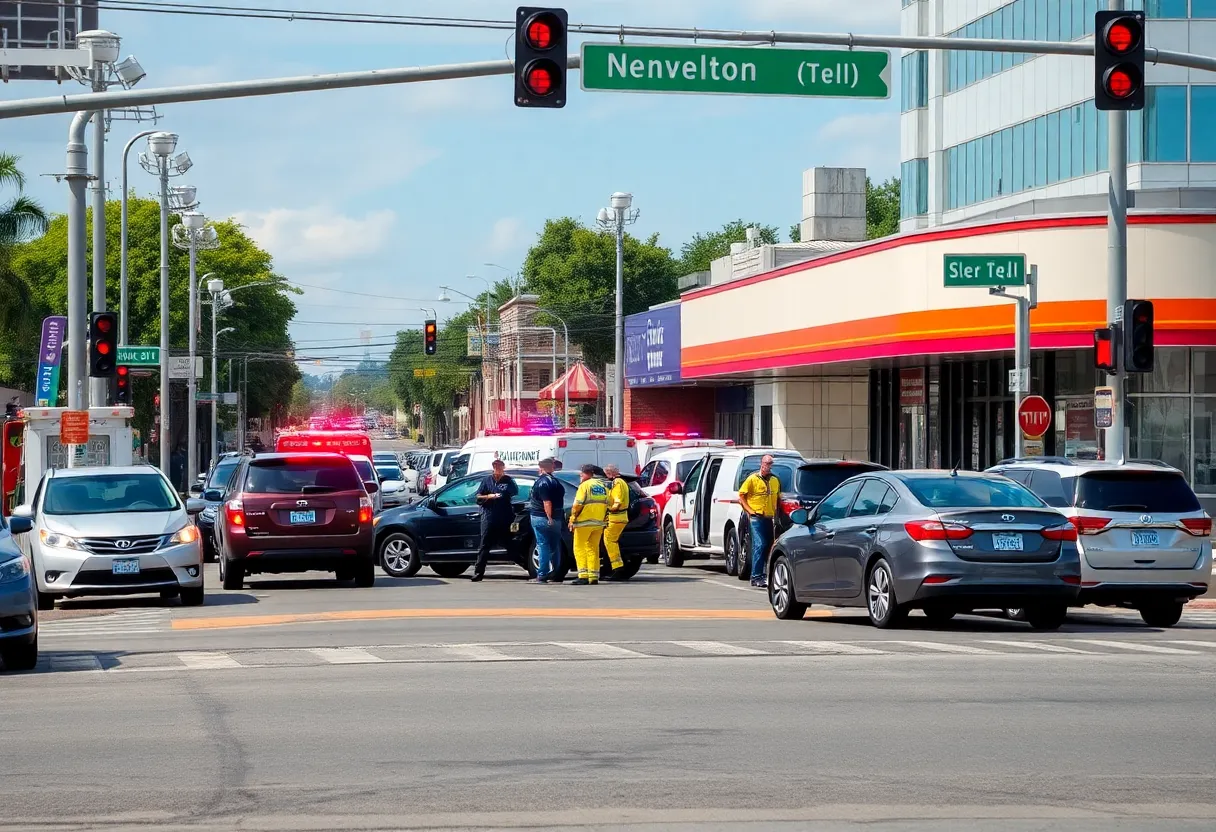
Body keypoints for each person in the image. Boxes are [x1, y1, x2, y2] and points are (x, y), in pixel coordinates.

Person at [472, 459, 518, 582]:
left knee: (510, 543)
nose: (497, 469)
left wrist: (505, 482)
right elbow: (477, 497)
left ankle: (529, 569)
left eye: (500, 467)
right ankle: (478, 573)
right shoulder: (487, 480)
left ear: (503, 467)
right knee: (484, 545)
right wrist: (488, 496)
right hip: (489, 517)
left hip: (505, 517)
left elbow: (515, 492)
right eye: (495, 467)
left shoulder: (508, 480)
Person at [738, 454, 780, 588]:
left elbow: (778, 498)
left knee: (769, 546)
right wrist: (750, 510)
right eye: (766, 463)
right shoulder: (752, 479)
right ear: (761, 464)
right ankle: (756, 576)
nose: (768, 466)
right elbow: (741, 496)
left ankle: (764, 575)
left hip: (769, 517)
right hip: (757, 518)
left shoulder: (775, 480)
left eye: (770, 463)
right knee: (760, 544)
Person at [568, 464, 608, 585]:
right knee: (593, 549)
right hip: (598, 523)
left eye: (583, 473)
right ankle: (593, 576)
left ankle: (583, 576)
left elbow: (577, 504)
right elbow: (608, 504)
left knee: (579, 548)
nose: (581, 475)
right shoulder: (603, 486)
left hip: (583, 523)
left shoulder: (584, 486)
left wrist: (572, 519)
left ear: (589, 474)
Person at [529, 457, 564, 583]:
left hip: (542, 517)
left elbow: (547, 502)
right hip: (557, 518)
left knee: (542, 544)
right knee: (554, 546)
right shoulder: (557, 482)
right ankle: (556, 573)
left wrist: (549, 517)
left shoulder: (542, 482)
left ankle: (542, 574)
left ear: (541, 468)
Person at [602, 463, 629, 578]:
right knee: (612, 541)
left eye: (606, 474)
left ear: (610, 473)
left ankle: (617, 567)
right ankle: (617, 567)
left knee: (609, 541)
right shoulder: (623, 482)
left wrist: (610, 509)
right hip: (621, 517)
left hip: (616, 517)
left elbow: (617, 500)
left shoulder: (617, 483)